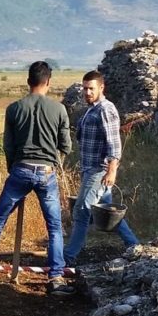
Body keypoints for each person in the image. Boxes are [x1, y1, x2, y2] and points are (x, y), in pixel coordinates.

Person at [0, 61, 74, 295]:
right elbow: (65, 145)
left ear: (28, 81)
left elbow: (8, 145)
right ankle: (56, 277)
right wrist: (56, 160)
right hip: (46, 173)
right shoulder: (59, 110)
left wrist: (12, 168)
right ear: (48, 82)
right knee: (55, 227)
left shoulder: (14, 108)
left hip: (20, 170)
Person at [64, 70, 139, 265]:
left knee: (81, 212)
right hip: (91, 169)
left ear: (101, 88)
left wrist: (111, 170)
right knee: (107, 214)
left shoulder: (106, 109)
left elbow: (114, 144)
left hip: (99, 171)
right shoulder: (92, 108)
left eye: (91, 89)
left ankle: (68, 257)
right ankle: (135, 246)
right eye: (85, 89)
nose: (87, 93)